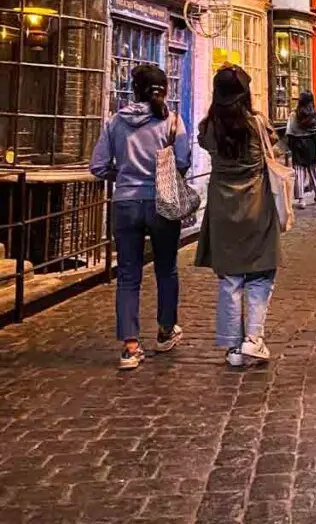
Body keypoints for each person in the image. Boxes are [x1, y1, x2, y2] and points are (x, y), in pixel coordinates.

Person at [90, 64, 190, 370]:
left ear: (134, 90)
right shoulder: (171, 121)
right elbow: (183, 161)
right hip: (162, 202)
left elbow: (98, 166)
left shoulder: (115, 122)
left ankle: (130, 347)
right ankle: (165, 330)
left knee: (128, 275)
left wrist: (123, 174)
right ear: (164, 90)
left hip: (125, 203)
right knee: (166, 269)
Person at [195, 66, 280, 367]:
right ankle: (254, 339)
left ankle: (232, 347)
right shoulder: (257, 123)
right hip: (256, 205)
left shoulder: (209, 127)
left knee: (230, 277)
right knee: (260, 272)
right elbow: (274, 144)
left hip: (222, 207)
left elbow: (204, 142)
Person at [286, 91, 316, 209]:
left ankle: (301, 199)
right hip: (311, 143)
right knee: (312, 169)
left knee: (299, 171)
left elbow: (289, 131)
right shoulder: (315, 115)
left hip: (297, 144)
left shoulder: (293, 115)